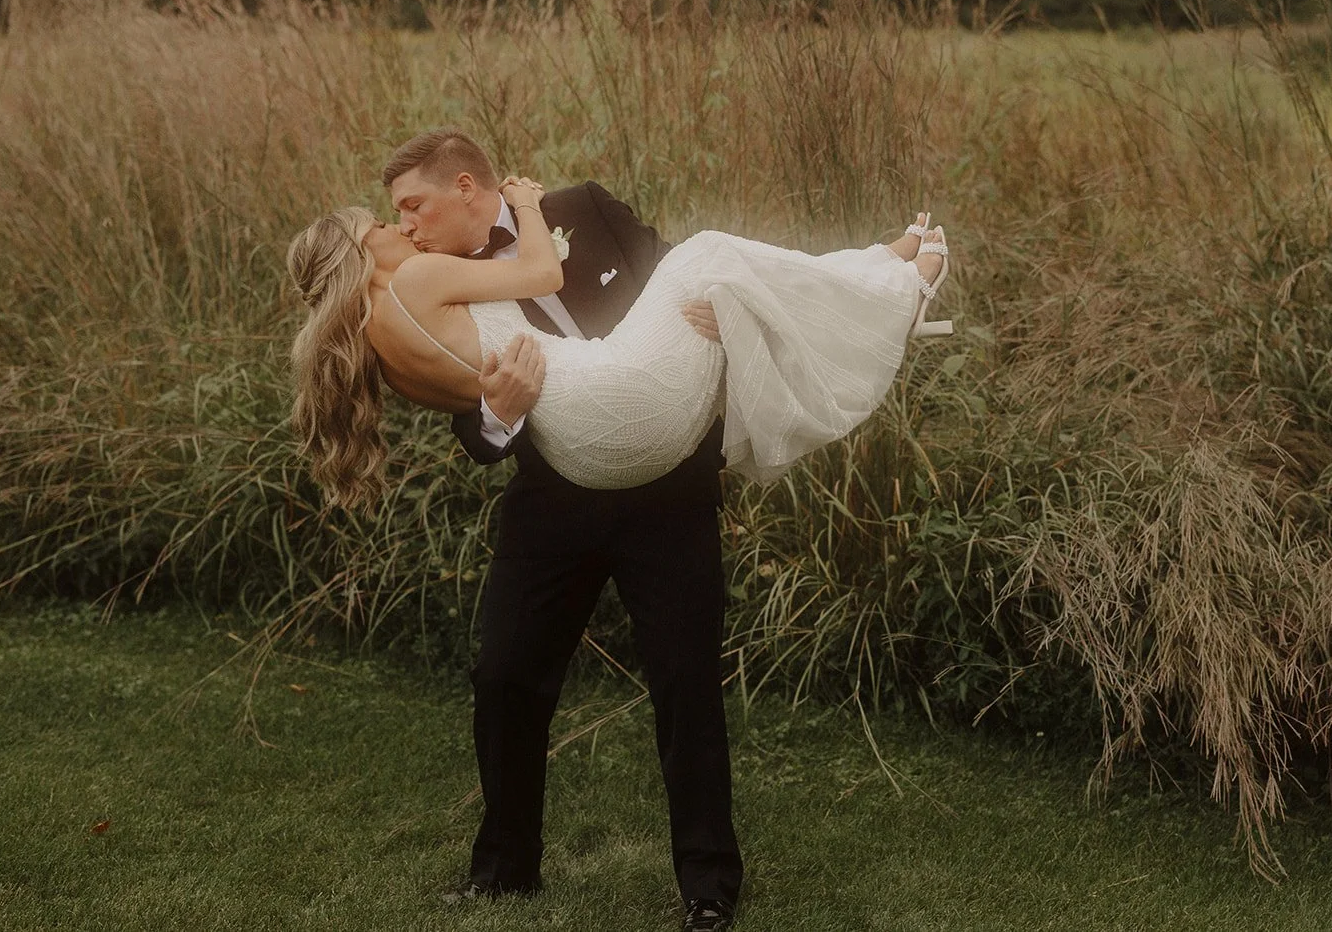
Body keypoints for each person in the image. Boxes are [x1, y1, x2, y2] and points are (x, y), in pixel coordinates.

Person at [285, 129, 949, 932]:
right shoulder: (430, 288)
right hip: (554, 496)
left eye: (414, 207)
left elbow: (678, 274)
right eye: (396, 218)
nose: (410, 227)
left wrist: (724, 318)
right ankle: (503, 873)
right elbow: (470, 416)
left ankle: (708, 887)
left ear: (467, 185)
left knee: (686, 682)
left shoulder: (582, 208)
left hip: (666, 487)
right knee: (504, 676)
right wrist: (496, 410)